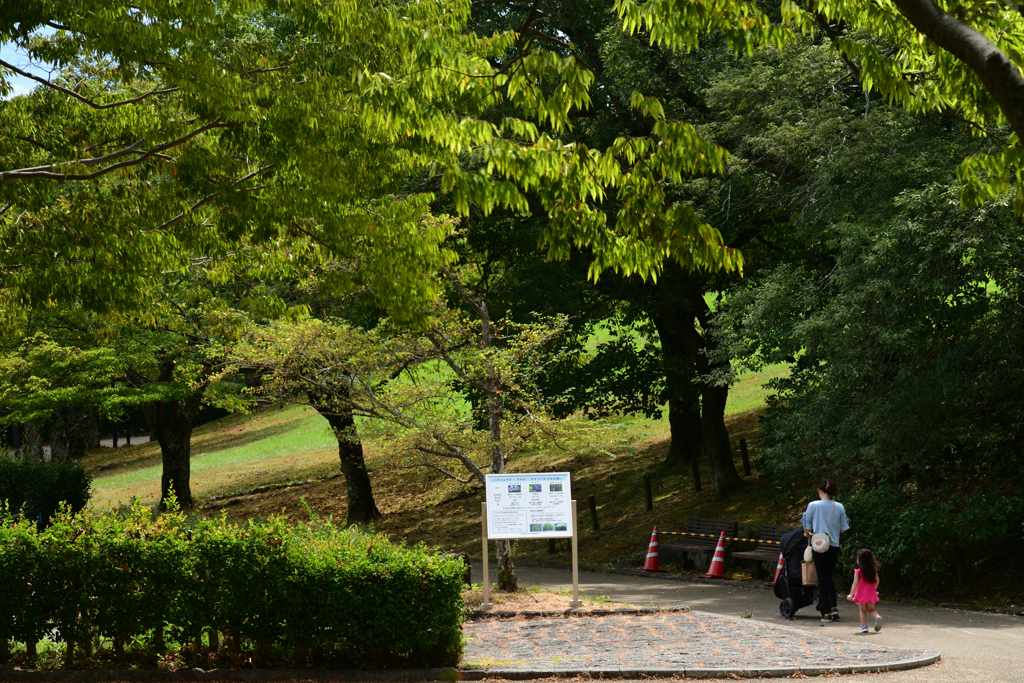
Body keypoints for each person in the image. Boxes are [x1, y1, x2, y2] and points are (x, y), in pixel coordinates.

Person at [802, 478, 850, 624]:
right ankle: (834, 607)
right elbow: (843, 529)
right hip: (833, 545)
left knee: (822, 579)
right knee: (828, 576)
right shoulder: (839, 507)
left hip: (818, 545)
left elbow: (806, 524)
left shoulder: (813, 505)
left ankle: (827, 613)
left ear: (820, 491)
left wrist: (807, 534)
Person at [847, 548, 882, 633]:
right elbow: (877, 580)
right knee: (871, 609)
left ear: (860, 561)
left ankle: (864, 626)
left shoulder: (858, 572)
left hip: (861, 595)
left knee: (862, 610)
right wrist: (874, 589)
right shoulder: (873, 571)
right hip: (871, 594)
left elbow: (855, 584)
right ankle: (877, 617)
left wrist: (851, 594)